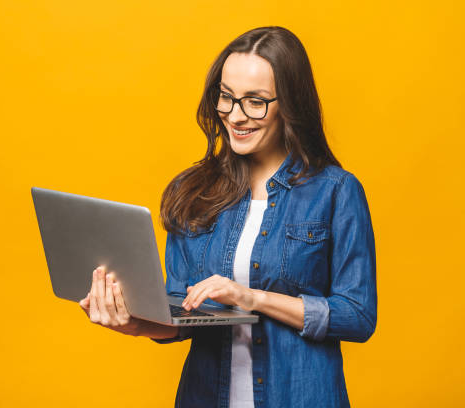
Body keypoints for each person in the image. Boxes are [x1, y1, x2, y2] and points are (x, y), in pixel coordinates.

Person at [79, 26, 377, 408]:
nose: (235, 116)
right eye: (226, 98)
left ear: (290, 103)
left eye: (255, 102)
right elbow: (181, 314)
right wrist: (132, 322)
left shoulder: (335, 191)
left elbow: (356, 315)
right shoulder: (195, 191)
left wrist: (252, 298)